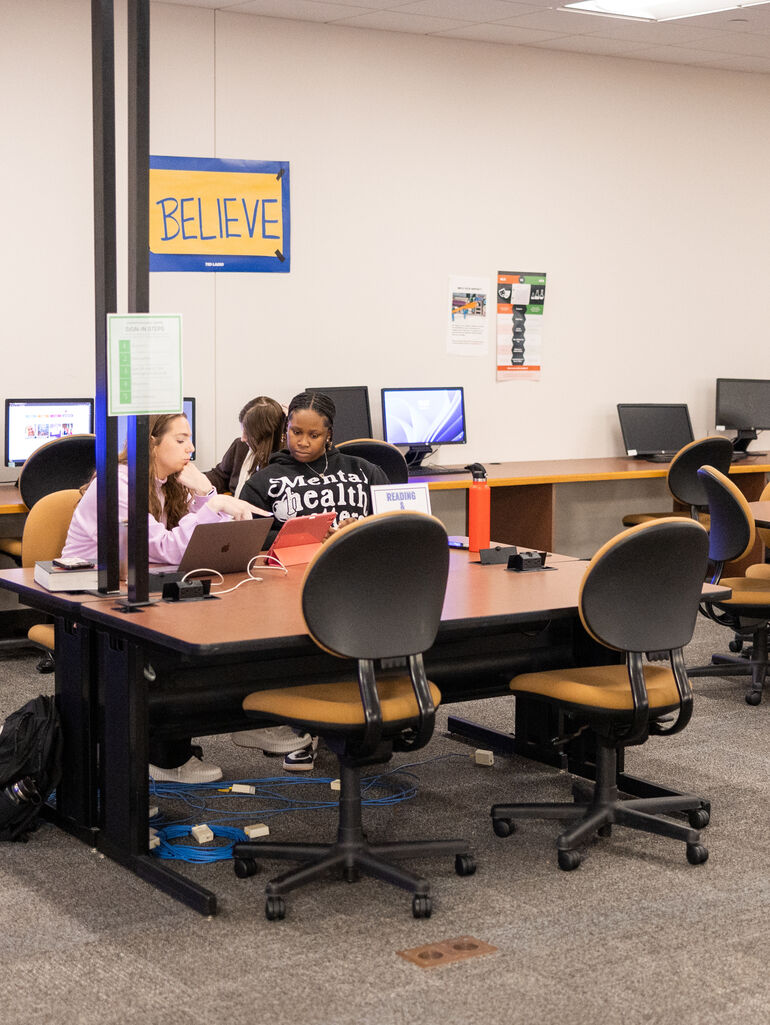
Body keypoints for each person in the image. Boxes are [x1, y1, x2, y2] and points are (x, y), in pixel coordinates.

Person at [63, 412, 259, 784]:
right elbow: (167, 548)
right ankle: (164, 754)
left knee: (214, 621)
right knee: (179, 640)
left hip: (142, 589)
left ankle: (237, 719)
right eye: (181, 440)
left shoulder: (166, 484)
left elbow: (201, 544)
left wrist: (206, 494)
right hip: (91, 601)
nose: (191, 448)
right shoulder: (120, 485)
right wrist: (213, 503)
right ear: (151, 443)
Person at [238, 390, 390, 771]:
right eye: (295, 432)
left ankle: (361, 720)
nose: (302, 442)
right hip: (295, 589)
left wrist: (361, 526)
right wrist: (308, 535)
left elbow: (395, 519)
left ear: (329, 435)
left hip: (362, 584)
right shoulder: (264, 482)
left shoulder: (364, 471)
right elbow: (249, 540)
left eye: (313, 435)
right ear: (285, 430)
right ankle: (307, 726)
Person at [204, 396, 285, 496]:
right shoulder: (240, 446)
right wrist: (197, 483)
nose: (243, 438)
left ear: (265, 436)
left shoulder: (282, 461)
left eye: (248, 433)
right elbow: (219, 476)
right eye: (243, 431)